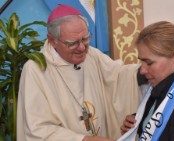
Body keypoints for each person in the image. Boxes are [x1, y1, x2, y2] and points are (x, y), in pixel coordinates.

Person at [17, 4, 142, 141]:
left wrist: (146, 71)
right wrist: (83, 139)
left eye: (85, 38)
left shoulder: (92, 55)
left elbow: (118, 77)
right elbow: (37, 129)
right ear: (53, 41)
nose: (82, 47)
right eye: (73, 43)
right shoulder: (36, 69)